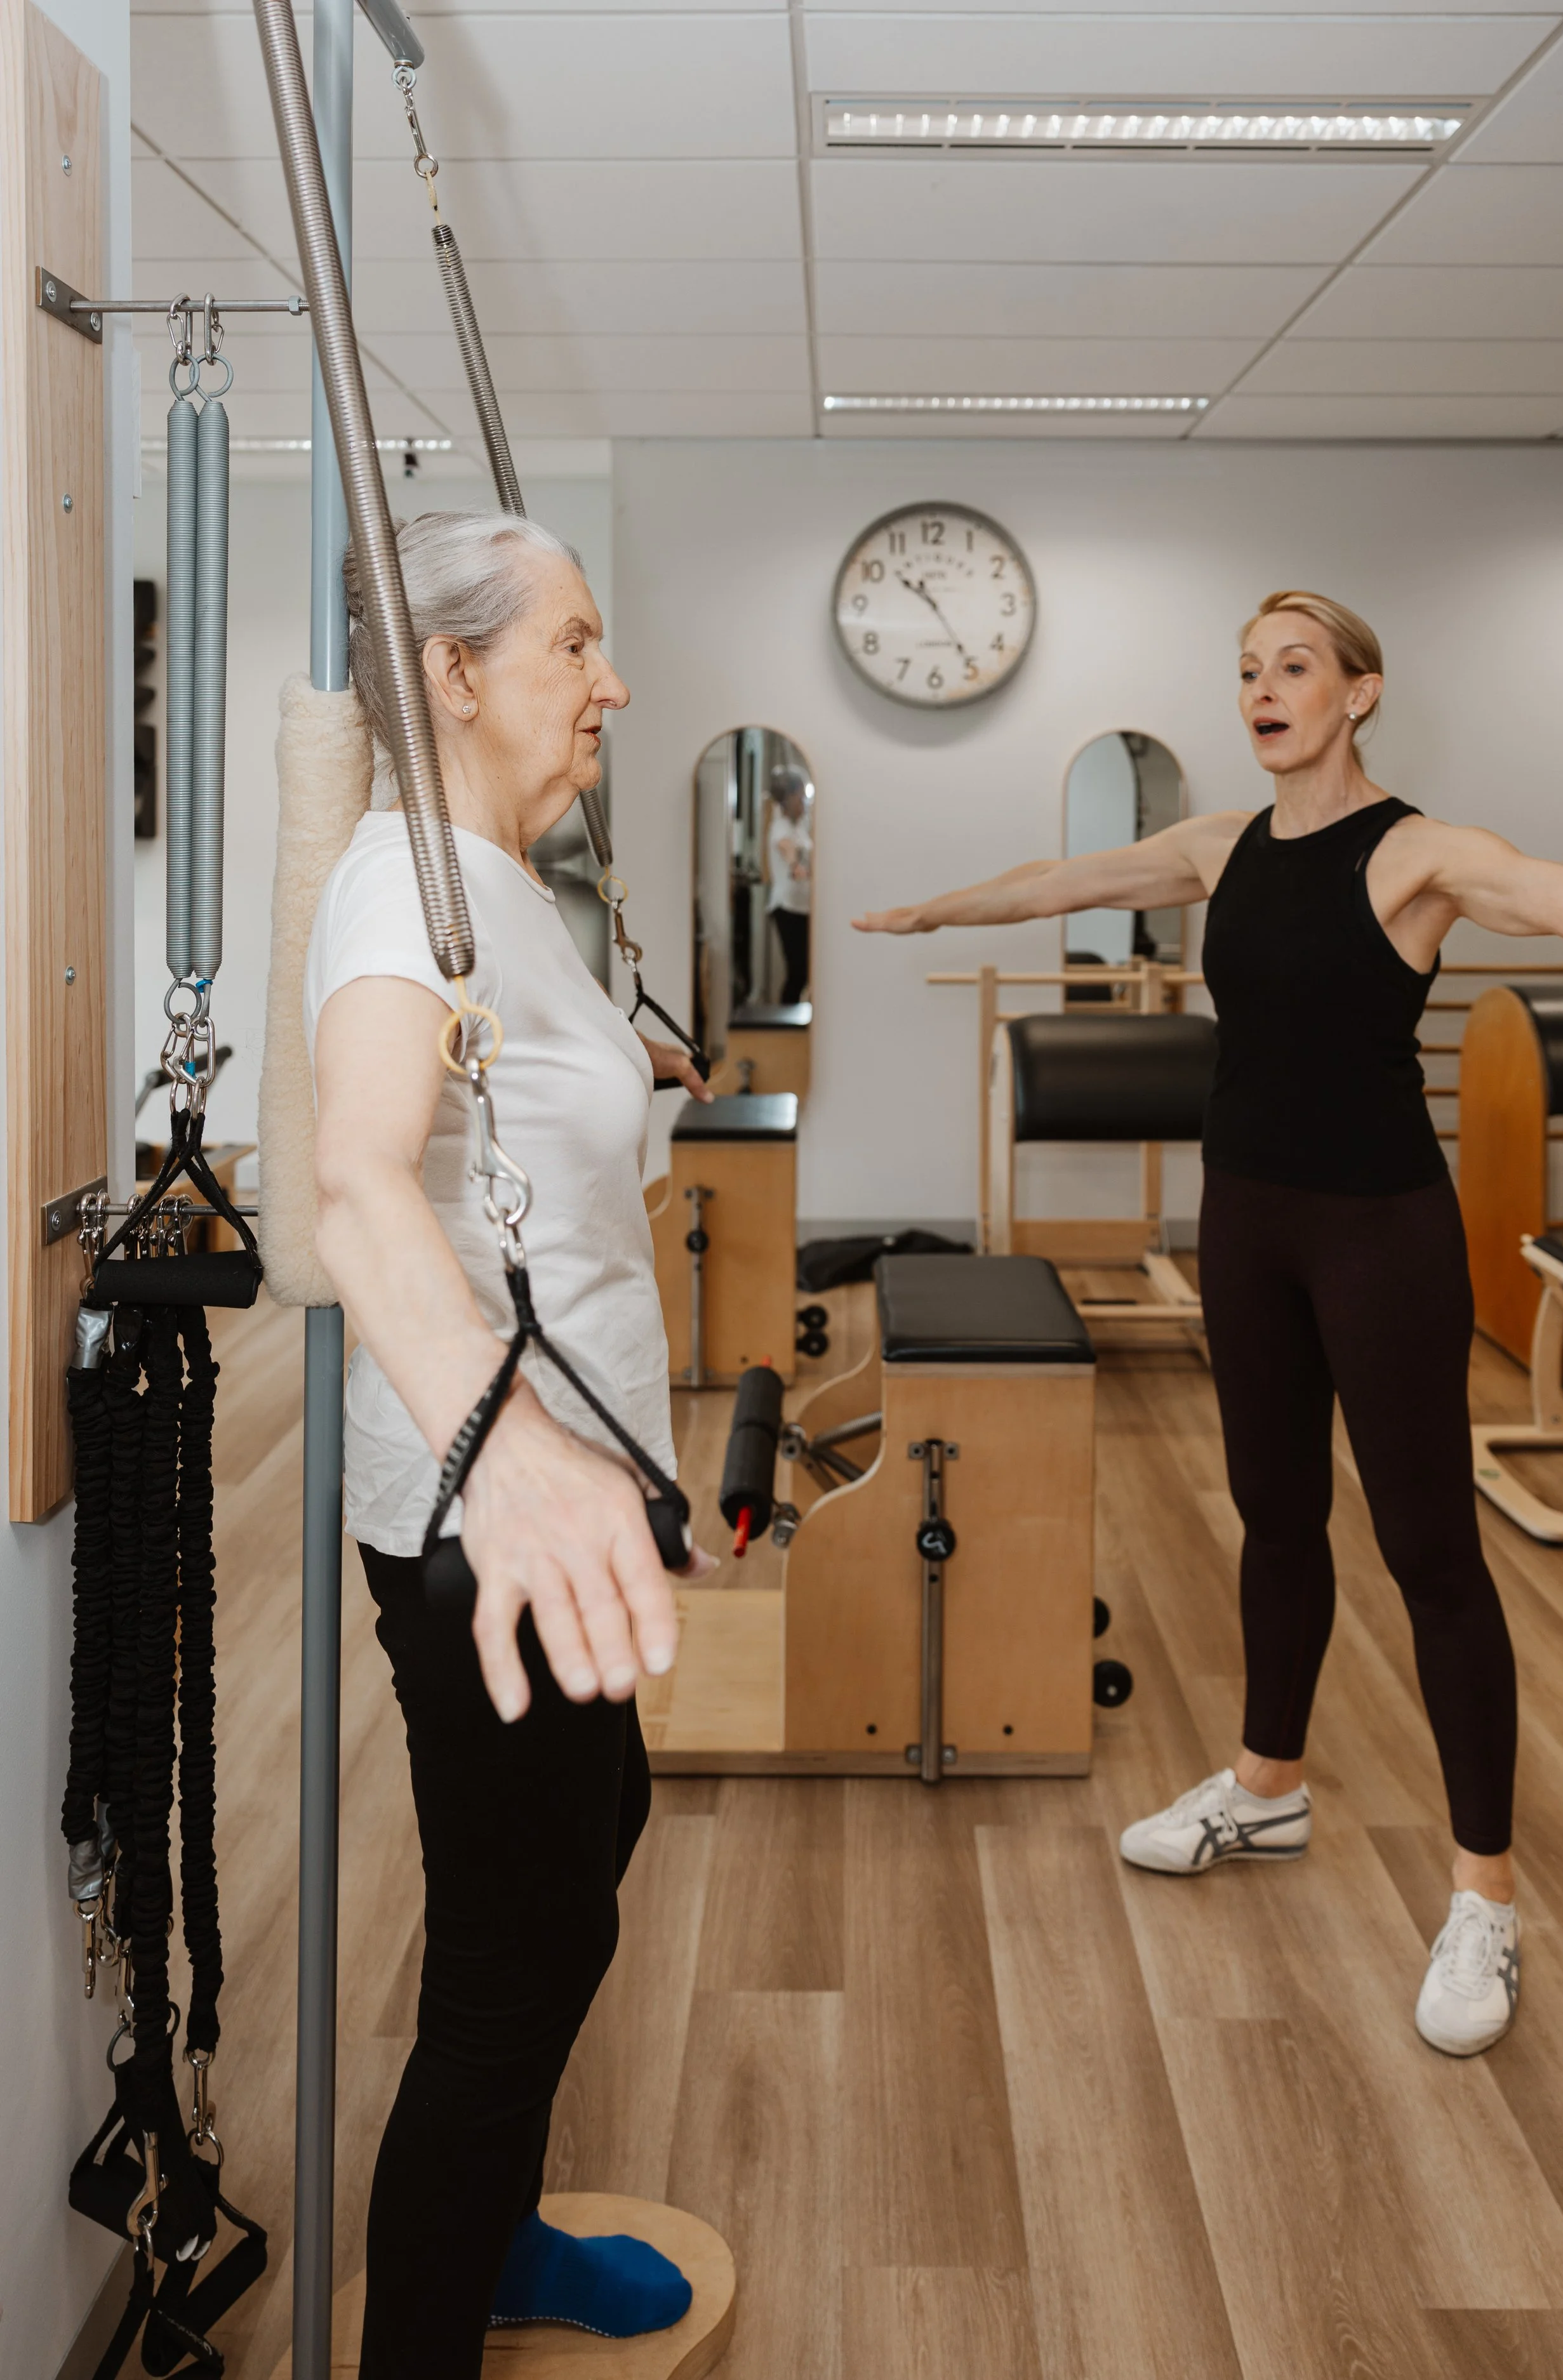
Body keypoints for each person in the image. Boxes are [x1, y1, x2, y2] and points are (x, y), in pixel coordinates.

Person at [855, 588, 1563, 2058]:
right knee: (1273, 1517)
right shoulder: (1221, 846)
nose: (1262, 689)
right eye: (1246, 668)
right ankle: (1265, 1785)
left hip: (1381, 1232)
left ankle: (1484, 1894)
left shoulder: (1418, 855)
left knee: (1430, 1552)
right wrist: (937, 905)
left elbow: (1555, 897)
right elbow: (1062, 878)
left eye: (1294, 666)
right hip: (1245, 1219)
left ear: (1361, 691)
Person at [305, 510, 713, 2377]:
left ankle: (505, 2236)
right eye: (574, 643)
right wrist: (514, 1451)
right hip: (494, 1527)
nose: (609, 679)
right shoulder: (406, 887)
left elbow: (510, 1123)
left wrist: (632, 1076)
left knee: (586, 1843)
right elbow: (351, 1181)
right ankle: (442, 2314)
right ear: (454, 673)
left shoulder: (493, 880)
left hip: (558, 1508)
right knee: (501, 1963)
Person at [764, 767, 812, 1002]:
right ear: (790, 797)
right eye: (801, 796)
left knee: (805, 971)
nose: (804, 801)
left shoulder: (800, 826)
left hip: (803, 907)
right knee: (798, 971)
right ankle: (787, 1028)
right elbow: (786, 847)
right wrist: (795, 866)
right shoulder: (780, 826)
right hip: (787, 907)